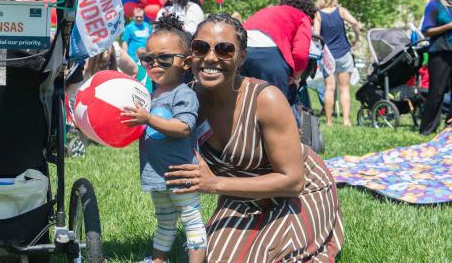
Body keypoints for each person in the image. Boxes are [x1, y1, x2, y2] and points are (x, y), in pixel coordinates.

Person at [165, 14, 344, 262]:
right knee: (215, 258)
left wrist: (214, 184)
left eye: (224, 50)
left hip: (299, 191)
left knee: (274, 255)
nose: (210, 58)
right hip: (242, 194)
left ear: (241, 58)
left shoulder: (266, 99)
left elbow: (292, 181)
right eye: (201, 47)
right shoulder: (186, 101)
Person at [122, 14, 206, 263]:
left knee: (191, 219)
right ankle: (159, 259)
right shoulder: (150, 93)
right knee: (165, 219)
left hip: (181, 172)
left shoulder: (183, 94)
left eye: (164, 58)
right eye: (148, 58)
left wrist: (148, 119)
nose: (155, 64)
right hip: (156, 174)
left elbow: (183, 127)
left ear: (186, 63)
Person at [240, 0, 317, 124]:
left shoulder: (268, 10)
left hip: (242, 50)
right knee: (278, 109)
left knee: (244, 104)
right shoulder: (303, 17)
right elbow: (300, 53)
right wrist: (296, 77)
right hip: (269, 54)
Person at [313, 0, 361, 127]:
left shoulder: (318, 15)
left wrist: (319, 48)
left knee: (329, 88)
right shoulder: (341, 11)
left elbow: (316, 34)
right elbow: (355, 23)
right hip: (344, 53)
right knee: (344, 88)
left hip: (328, 55)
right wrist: (357, 39)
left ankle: (329, 121)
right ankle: (346, 121)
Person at [419, 0, 452, 135]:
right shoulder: (435, 5)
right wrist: (448, 26)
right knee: (437, 92)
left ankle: (450, 125)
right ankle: (428, 128)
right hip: (440, 53)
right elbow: (426, 31)